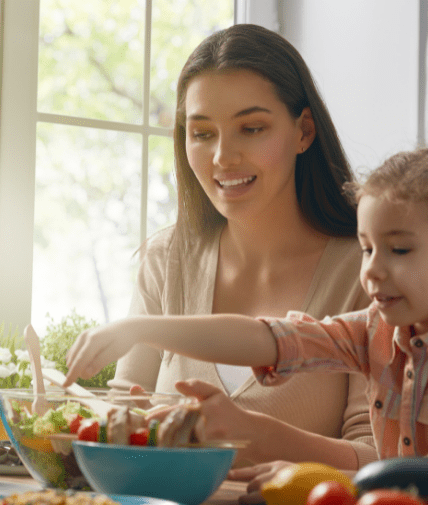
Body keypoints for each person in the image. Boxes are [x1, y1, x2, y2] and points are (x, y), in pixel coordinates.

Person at [66, 146, 428, 485]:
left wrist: (324, 482)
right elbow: (270, 339)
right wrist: (138, 329)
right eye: (367, 248)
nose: (372, 269)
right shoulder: (379, 327)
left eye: (399, 250)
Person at [106, 23, 377, 479]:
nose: (223, 158)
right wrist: (124, 426)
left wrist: (259, 436)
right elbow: (121, 414)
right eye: (202, 133)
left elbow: (380, 459)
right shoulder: (166, 260)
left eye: (251, 128)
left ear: (304, 131)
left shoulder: (368, 271)